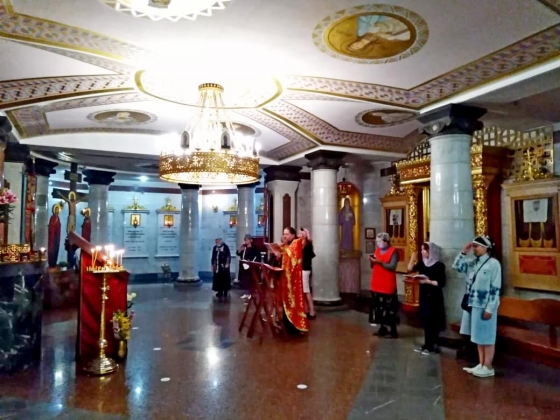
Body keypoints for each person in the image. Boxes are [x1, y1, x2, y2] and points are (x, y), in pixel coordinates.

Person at [453, 236, 502, 378]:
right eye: (473, 246)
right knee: (478, 336)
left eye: (477, 246)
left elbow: (495, 288)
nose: (474, 249)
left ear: (486, 248)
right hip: (473, 304)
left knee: (488, 336)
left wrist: (490, 308)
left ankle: (488, 366)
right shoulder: (472, 263)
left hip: (485, 305)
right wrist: (463, 252)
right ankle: (481, 364)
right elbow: (457, 266)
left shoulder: (493, 264)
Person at [407, 242, 446, 355]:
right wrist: (412, 258)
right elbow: (410, 269)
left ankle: (431, 346)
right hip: (424, 294)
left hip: (434, 296)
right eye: (421, 250)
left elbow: (441, 283)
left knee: (432, 321)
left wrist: (428, 281)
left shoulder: (439, 265)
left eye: (424, 250)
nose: (422, 252)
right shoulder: (422, 263)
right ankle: (426, 344)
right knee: (425, 320)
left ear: (431, 251)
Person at [271, 227, 309, 334]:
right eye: (284, 234)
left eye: (287, 234)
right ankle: (284, 324)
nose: (285, 236)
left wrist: (281, 250)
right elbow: (283, 257)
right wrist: (278, 253)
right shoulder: (287, 245)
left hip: (293, 280)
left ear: (293, 235)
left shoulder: (296, 243)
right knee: (284, 301)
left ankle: (294, 327)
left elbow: (292, 257)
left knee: (292, 302)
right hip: (285, 278)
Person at [369, 232, 399, 338]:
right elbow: (373, 266)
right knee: (378, 307)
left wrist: (380, 262)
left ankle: (393, 330)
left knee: (389, 308)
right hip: (376, 282)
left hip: (387, 283)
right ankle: (382, 328)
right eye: (377, 241)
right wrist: (372, 261)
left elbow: (392, 266)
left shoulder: (393, 251)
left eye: (380, 241)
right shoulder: (377, 250)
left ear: (386, 241)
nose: (378, 243)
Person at [300, 228, 316, 320]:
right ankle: (306, 310)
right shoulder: (301, 243)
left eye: (302, 233)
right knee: (303, 290)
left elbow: (308, 256)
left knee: (306, 290)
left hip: (305, 269)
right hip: (302, 268)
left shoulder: (308, 244)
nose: (301, 235)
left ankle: (312, 311)